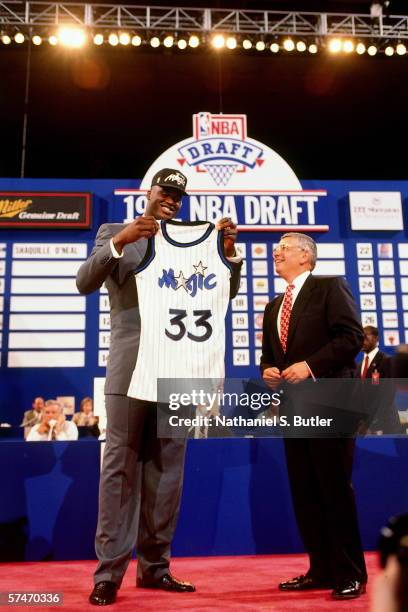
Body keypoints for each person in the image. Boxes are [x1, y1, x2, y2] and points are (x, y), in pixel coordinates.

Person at [76, 167, 242, 606]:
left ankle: (156, 568)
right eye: (165, 193)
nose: (171, 201)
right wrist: (123, 239)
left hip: (177, 369)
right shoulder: (115, 230)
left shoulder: (193, 241)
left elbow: (221, 298)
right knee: (119, 470)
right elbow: (84, 281)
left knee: (168, 472)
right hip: (130, 370)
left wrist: (228, 255)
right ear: (148, 193)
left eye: (178, 197)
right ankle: (108, 573)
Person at [261, 232, 367, 600]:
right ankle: (320, 570)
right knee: (305, 490)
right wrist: (269, 370)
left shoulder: (329, 287)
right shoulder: (273, 306)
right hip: (294, 408)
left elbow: (351, 337)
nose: (276, 254)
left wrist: (309, 366)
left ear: (305, 257)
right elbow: (269, 356)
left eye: (284, 249)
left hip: (332, 400)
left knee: (334, 488)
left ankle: (350, 573)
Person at [358, 326, 403, 434]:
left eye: (365, 337)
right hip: (367, 423)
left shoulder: (386, 361)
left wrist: (376, 420)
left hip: (385, 423)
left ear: (376, 339)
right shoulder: (360, 365)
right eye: (360, 337)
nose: (362, 341)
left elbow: (387, 394)